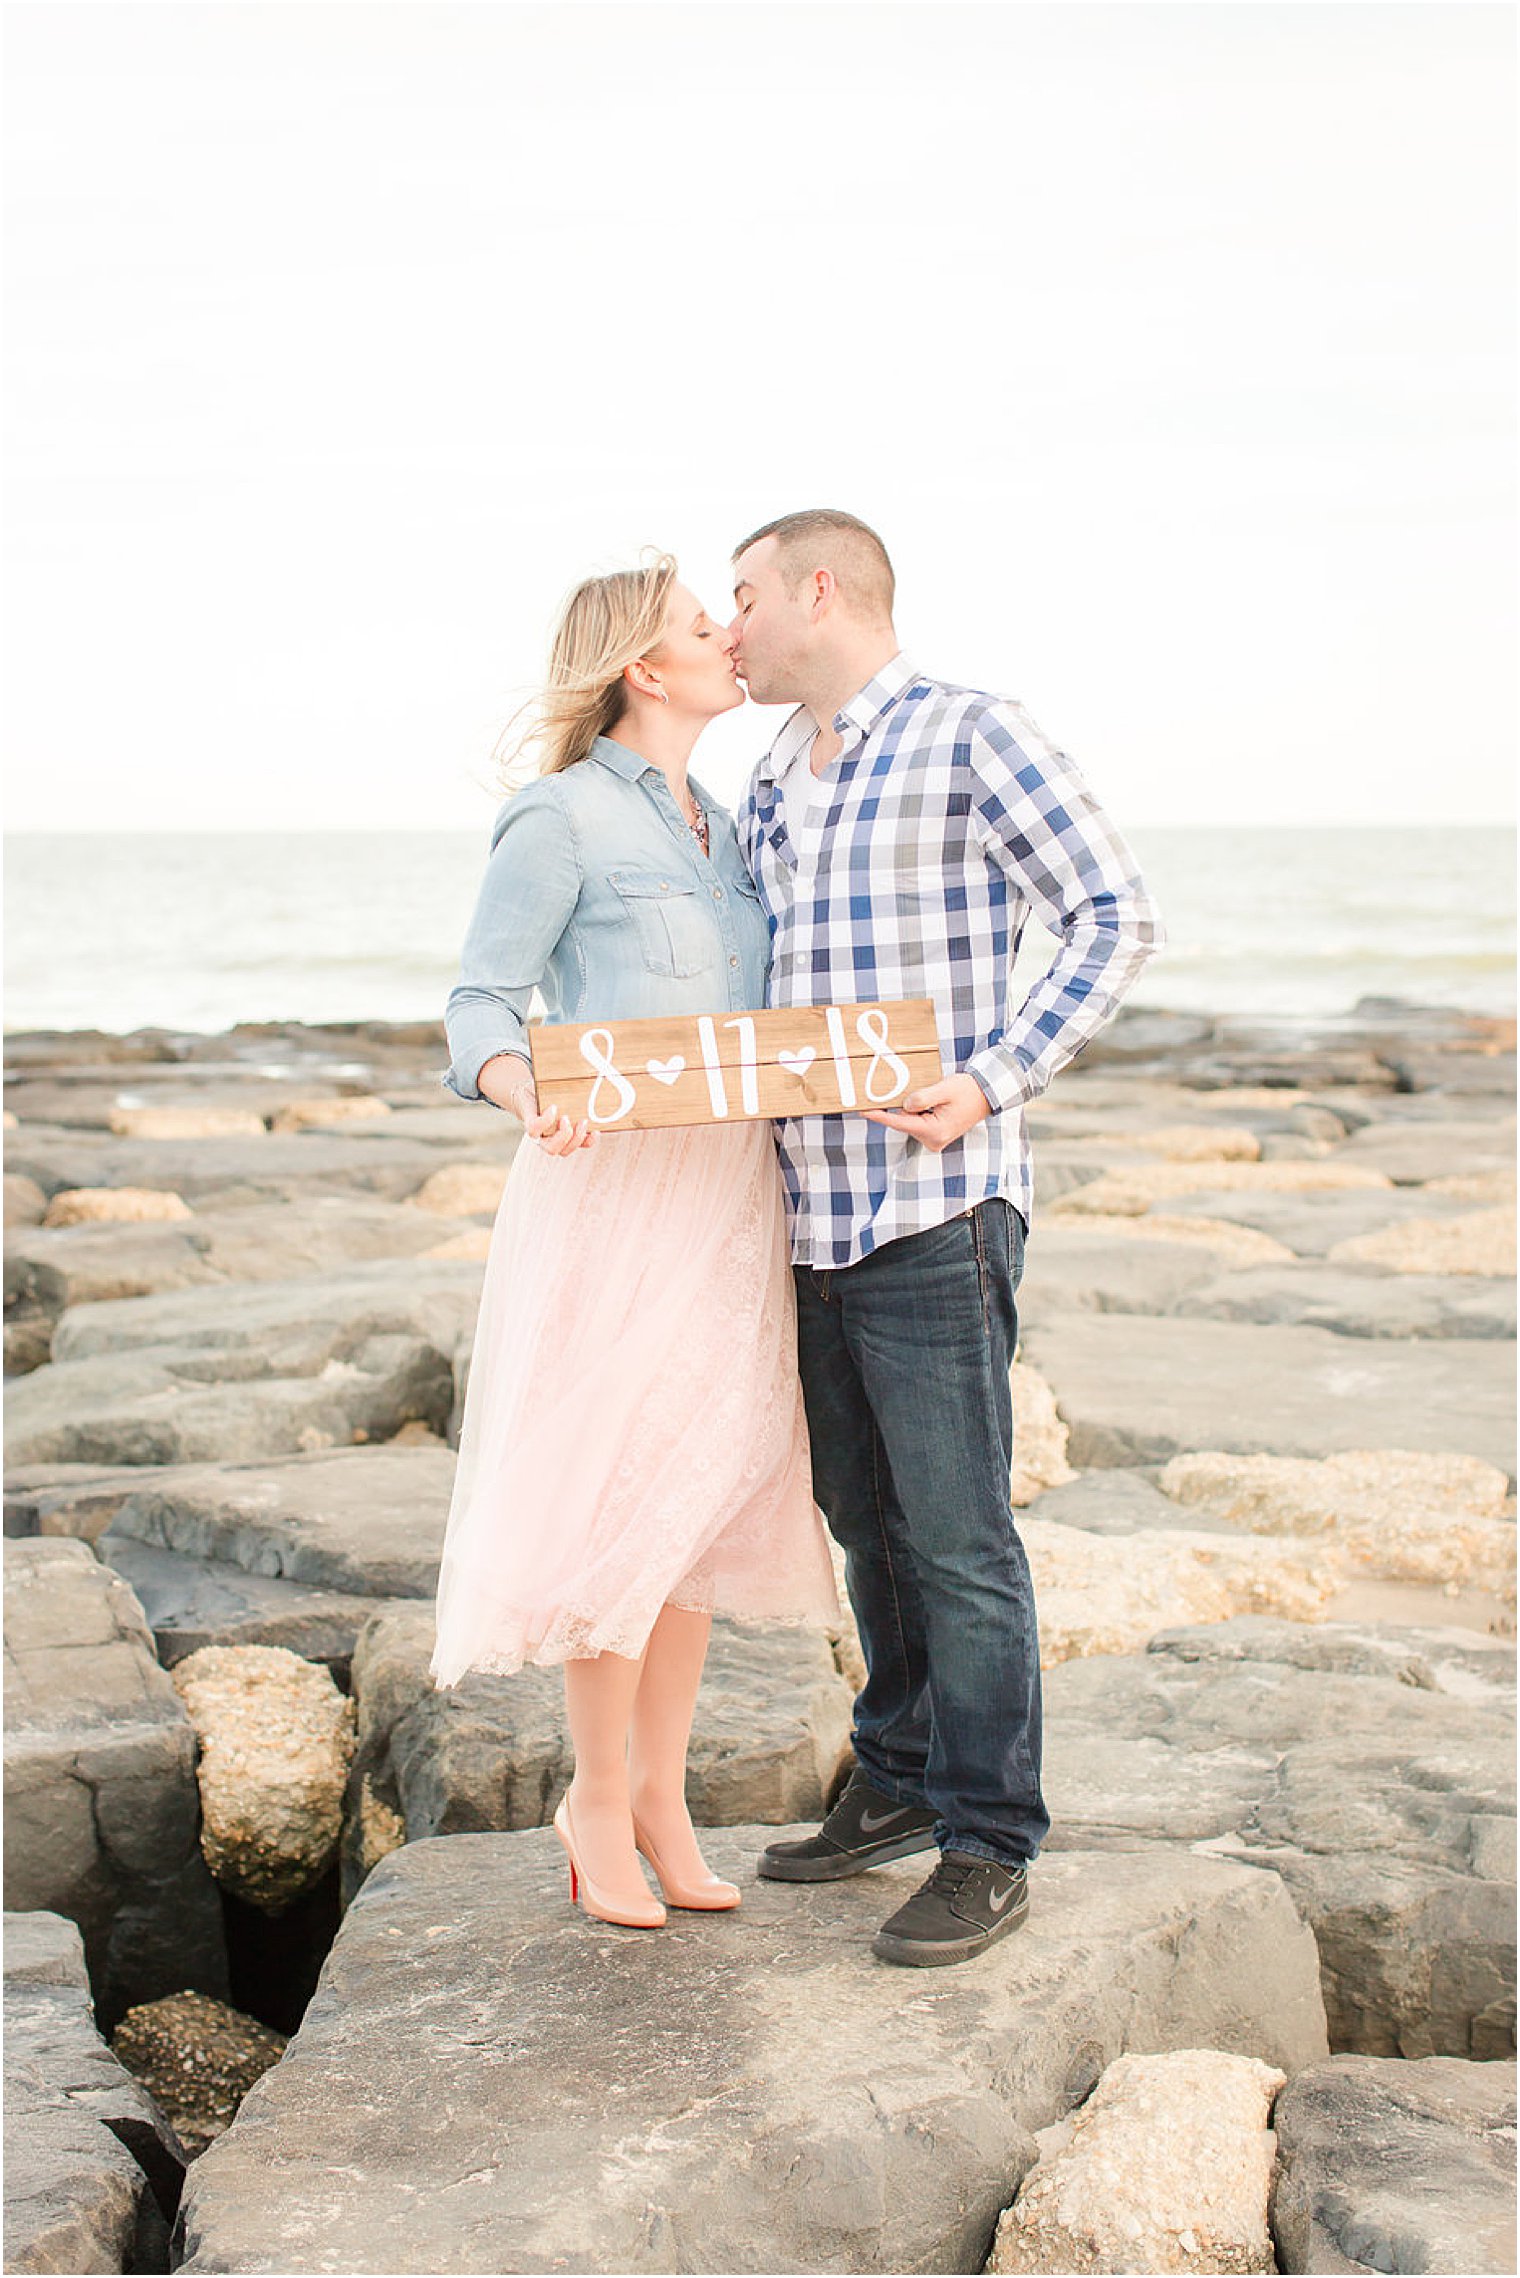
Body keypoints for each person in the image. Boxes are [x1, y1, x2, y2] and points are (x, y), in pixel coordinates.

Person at [729, 509, 1162, 1968]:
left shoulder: (976, 734)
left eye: (745, 599)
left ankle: (989, 1835)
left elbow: (1112, 915)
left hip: (935, 1209)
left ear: (821, 589)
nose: (731, 630)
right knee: (865, 1523)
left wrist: (991, 1076)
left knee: (963, 1539)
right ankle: (897, 1774)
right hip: (810, 1216)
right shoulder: (772, 772)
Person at [431, 551, 838, 1931]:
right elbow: (480, 1004)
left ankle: (665, 1793)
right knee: (616, 1507)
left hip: (734, 1193)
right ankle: (596, 1797)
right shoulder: (556, 820)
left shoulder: (736, 825)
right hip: (614, 1199)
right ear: (641, 671)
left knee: (693, 1499)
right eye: (697, 624)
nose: (731, 635)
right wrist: (522, 1086)